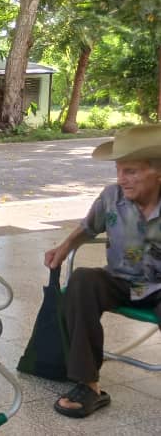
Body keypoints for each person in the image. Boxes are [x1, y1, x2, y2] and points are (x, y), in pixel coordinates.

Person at [43, 124, 161, 419]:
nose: (121, 179)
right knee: (83, 280)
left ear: (158, 172)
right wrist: (64, 248)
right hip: (120, 280)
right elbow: (88, 227)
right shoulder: (111, 197)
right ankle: (88, 385)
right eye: (118, 170)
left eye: (131, 171)